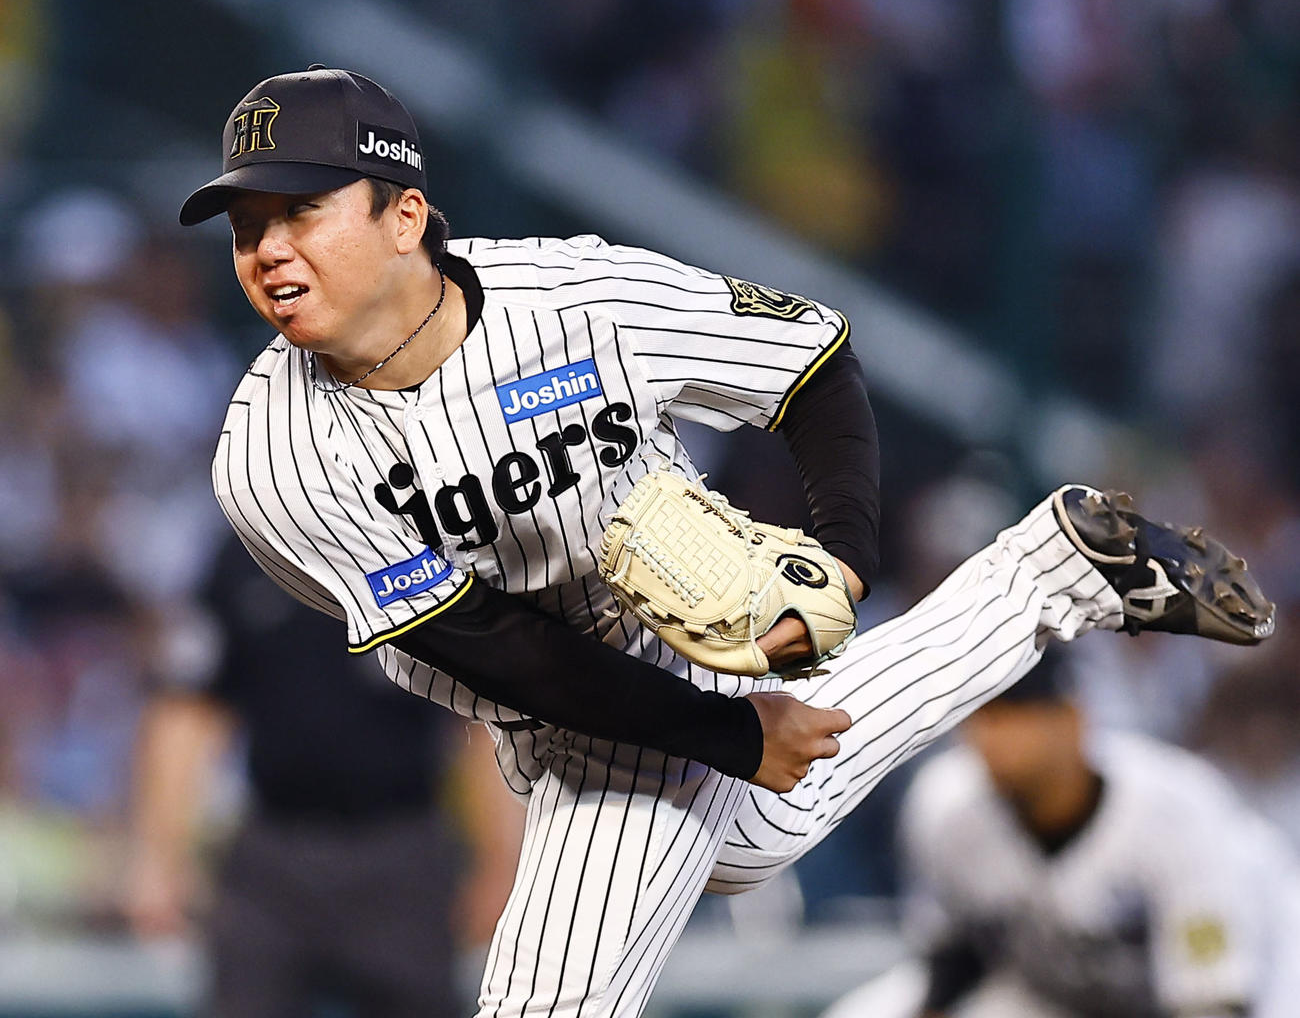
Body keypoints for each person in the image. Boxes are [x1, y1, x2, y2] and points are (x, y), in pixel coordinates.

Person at [178, 65, 1274, 1018]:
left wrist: (842, 553)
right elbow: (489, 640)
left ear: (405, 217)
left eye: (300, 212)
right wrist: (728, 733)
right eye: (245, 227)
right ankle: (1054, 568)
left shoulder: (578, 297)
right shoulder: (272, 455)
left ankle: (1045, 576)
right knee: (755, 835)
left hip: (686, 636)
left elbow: (810, 361)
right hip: (558, 689)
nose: (267, 250)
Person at [124, 536, 522, 1018]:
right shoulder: (245, 555)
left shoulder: (427, 556)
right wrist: (158, 857)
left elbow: (485, 719)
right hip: (271, 859)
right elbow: (187, 708)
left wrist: (502, 864)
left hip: (403, 857)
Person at [822, 648, 1300, 1018]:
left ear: (1073, 719)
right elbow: (953, 958)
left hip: (1261, 963)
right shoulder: (947, 807)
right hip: (1062, 991)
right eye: (982, 715)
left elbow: (1213, 1000)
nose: (996, 735)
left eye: (1018, 713)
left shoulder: (1175, 814)